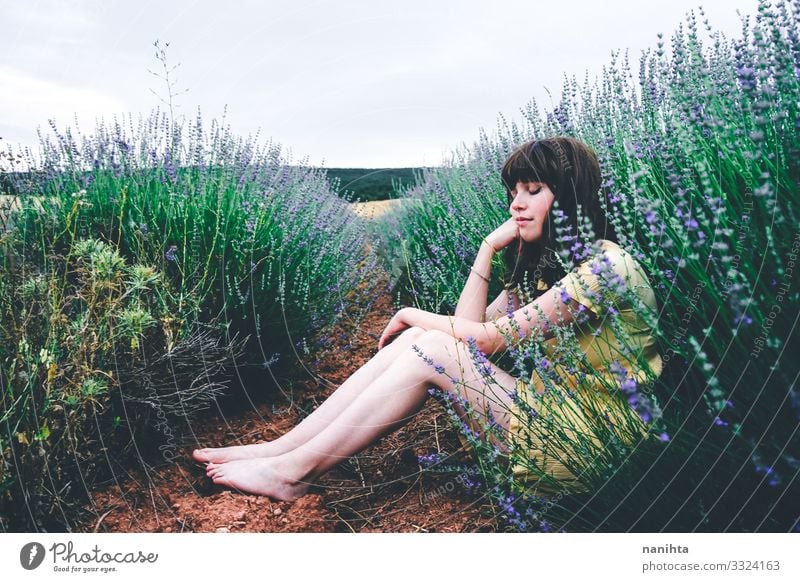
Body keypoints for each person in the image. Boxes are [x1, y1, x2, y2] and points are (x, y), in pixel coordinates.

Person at [192, 136, 663, 501]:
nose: (516, 203)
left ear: (571, 197)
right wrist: (487, 248)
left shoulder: (604, 268)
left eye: (533, 191)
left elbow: (483, 341)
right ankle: (281, 452)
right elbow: (469, 326)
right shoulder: (553, 269)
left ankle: (292, 473)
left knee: (431, 342)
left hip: (594, 439)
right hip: (552, 415)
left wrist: (408, 312)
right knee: (427, 338)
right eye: (513, 192)